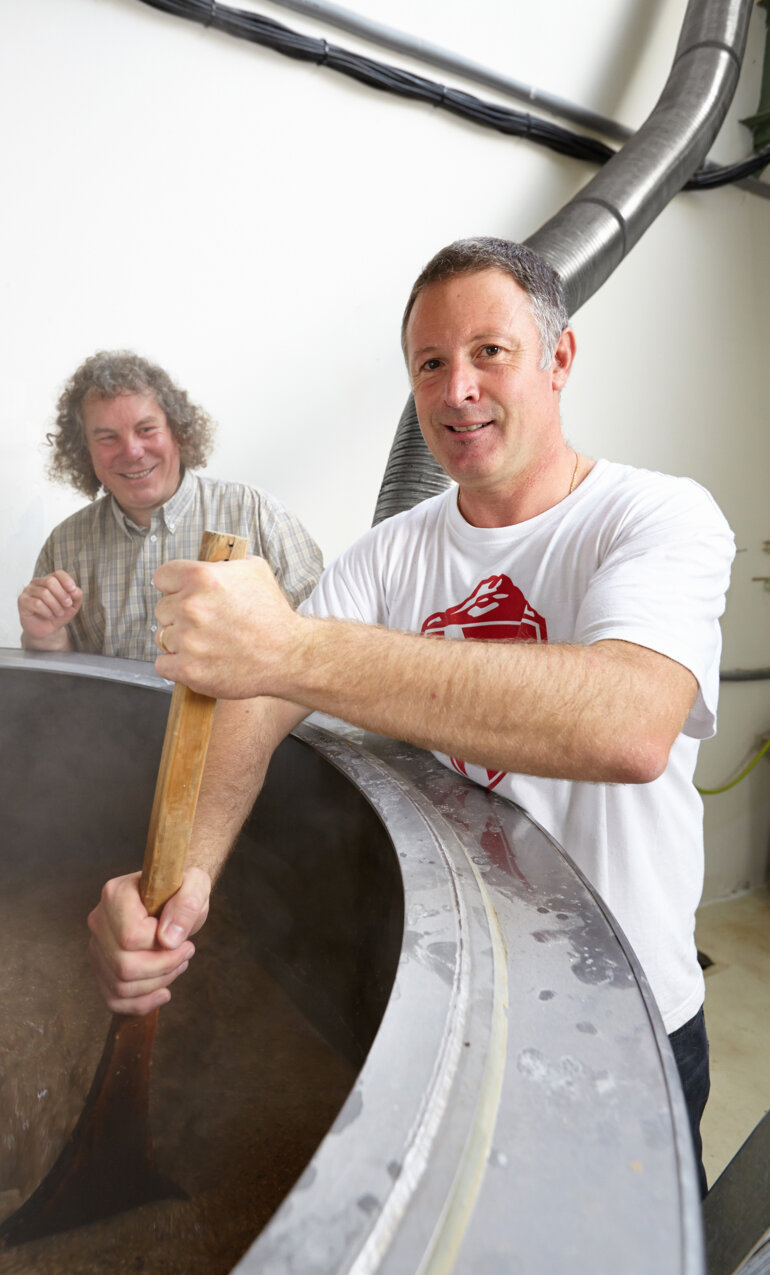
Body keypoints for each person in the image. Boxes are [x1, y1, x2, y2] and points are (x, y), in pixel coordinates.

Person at [87, 239, 734, 1193]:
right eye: (430, 364)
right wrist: (178, 883)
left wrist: (291, 647)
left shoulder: (657, 518)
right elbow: (256, 712)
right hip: (470, 1002)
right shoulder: (393, 554)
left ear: (558, 360)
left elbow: (628, 724)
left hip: (630, 1016)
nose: (457, 388)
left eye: (490, 353)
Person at [17, 351, 322, 659]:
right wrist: (47, 638)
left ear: (177, 431)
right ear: (85, 451)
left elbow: (320, 645)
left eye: (146, 429)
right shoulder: (64, 546)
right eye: (108, 437)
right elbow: (60, 691)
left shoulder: (255, 514)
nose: (132, 451)